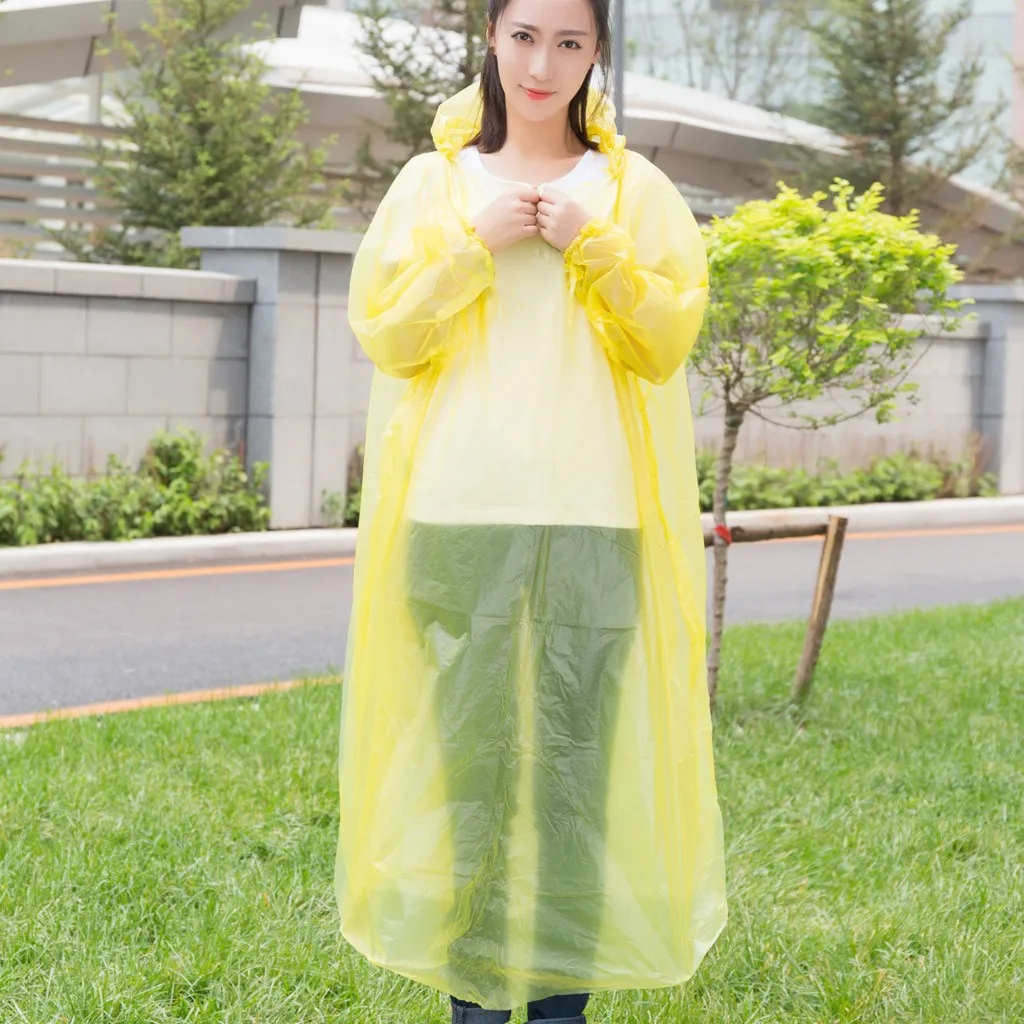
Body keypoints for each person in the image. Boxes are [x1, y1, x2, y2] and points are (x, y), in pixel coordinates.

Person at [333, 0, 728, 1021]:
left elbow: (665, 340)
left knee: (571, 785)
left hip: (598, 520)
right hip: (456, 515)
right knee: (469, 783)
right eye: (523, 36)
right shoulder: (434, 186)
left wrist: (594, 247)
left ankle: (558, 1012)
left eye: (568, 41)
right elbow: (387, 332)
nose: (542, 63)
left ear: (596, 53)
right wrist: (473, 244)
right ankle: (474, 1009)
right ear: (491, 39)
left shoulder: (632, 193)